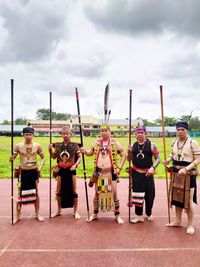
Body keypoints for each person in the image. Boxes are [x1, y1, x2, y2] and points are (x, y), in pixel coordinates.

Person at [80, 124, 126, 224]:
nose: (104, 132)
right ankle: (95, 214)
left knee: (114, 194)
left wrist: (119, 168)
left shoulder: (115, 143)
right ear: (100, 132)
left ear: (109, 132)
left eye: (106, 130)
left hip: (111, 172)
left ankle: (117, 215)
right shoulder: (96, 143)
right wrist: (84, 151)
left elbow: (123, 155)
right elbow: (90, 153)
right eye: (102, 131)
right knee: (97, 193)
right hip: (99, 173)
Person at [165, 121, 200, 234]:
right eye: (178, 130)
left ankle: (190, 225)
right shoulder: (174, 142)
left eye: (182, 130)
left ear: (187, 130)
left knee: (188, 201)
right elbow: (172, 154)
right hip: (175, 174)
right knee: (176, 198)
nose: (180, 132)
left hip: (189, 175)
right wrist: (168, 160)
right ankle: (178, 221)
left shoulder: (193, 143)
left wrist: (186, 169)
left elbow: (198, 159)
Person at [9, 126, 45, 224]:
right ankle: (17, 215)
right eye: (26, 134)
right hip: (23, 172)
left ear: (33, 135)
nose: (28, 136)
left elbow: (43, 158)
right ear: (23, 135)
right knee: (20, 193)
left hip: (33, 171)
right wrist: (11, 158)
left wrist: (40, 168)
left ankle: (37, 213)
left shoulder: (37, 146)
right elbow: (12, 158)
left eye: (30, 134)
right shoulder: (18, 146)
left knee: (36, 193)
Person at [127, 125, 160, 223]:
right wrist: (129, 152)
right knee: (137, 195)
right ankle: (139, 215)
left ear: (146, 134)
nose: (140, 134)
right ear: (135, 134)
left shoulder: (151, 145)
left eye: (142, 132)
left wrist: (153, 168)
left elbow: (158, 159)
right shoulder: (133, 145)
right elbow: (129, 159)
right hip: (136, 174)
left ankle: (149, 213)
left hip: (148, 174)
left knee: (150, 195)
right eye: (138, 133)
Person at [48, 126, 81, 219]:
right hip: (61, 169)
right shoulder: (58, 145)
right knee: (58, 190)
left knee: (74, 190)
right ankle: (59, 210)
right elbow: (54, 157)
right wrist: (50, 150)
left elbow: (79, 157)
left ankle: (75, 211)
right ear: (61, 134)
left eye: (67, 133)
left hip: (71, 169)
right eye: (64, 133)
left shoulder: (75, 145)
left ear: (71, 134)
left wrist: (75, 165)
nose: (65, 135)